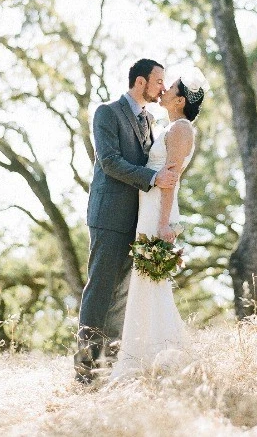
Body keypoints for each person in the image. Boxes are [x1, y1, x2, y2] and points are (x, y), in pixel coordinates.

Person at [74, 59, 179, 384]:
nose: (162, 87)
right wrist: (153, 177)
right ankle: (85, 371)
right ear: (140, 81)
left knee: (122, 294)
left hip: (136, 222)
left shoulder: (148, 119)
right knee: (100, 289)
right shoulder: (107, 112)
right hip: (109, 216)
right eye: (158, 80)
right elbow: (109, 161)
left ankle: (109, 367)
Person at [112, 68, 207, 379]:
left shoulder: (181, 129)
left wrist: (164, 224)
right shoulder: (169, 127)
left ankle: (164, 356)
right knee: (145, 284)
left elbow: (170, 179)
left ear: (179, 100)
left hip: (158, 213)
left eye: (171, 88)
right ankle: (145, 356)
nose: (163, 89)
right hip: (148, 211)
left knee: (151, 283)